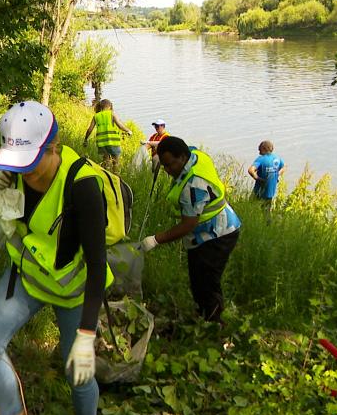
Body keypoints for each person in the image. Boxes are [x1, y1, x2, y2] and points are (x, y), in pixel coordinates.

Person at [0, 101, 111, 415]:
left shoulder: (83, 186)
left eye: (31, 164)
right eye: (19, 165)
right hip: (27, 277)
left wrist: (87, 335)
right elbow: (21, 219)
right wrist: (1, 197)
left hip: (71, 290)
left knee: (79, 373)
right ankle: (14, 413)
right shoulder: (15, 167)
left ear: (53, 148)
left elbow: (97, 264)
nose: (25, 173)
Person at [138, 136, 241, 323]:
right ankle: (202, 316)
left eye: (170, 165)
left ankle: (213, 324)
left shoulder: (193, 186)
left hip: (218, 234)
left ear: (182, 157)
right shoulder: (195, 155)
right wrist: (156, 160)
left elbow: (188, 224)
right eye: (164, 165)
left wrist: (155, 240)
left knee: (207, 282)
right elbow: (184, 146)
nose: (168, 170)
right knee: (197, 277)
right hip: (207, 232)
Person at [83, 99, 132, 171]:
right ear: (109, 106)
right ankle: (115, 177)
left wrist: (85, 139)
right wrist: (128, 130)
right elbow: (120, 125)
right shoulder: (111, 114)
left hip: (102, 143)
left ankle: (105, 177)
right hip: (113, 142)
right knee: (115, 162)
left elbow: (89, 129)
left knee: (106, 162)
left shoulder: (96, 116)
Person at [247, 140, 286, 210]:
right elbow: (284, 167)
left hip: (259, 189)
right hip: (271, 191)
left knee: (250, 207)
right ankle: (267, 220)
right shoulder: (277, 158)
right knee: (267, 210)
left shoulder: (261, 159)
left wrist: (257, 178)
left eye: (260, 150)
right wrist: (277, 175)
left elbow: (250, 170)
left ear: (264, 149)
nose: (259, 152)